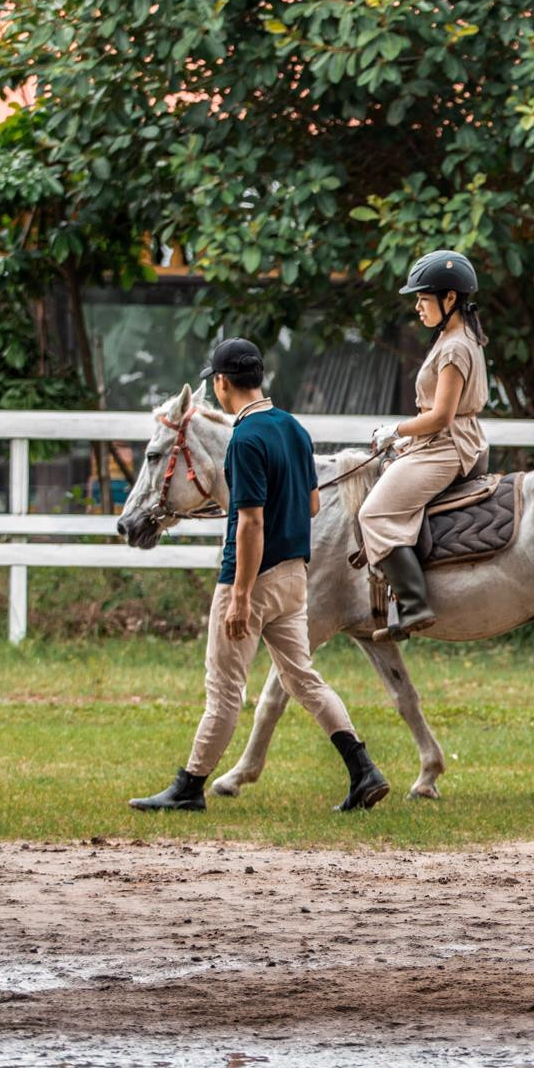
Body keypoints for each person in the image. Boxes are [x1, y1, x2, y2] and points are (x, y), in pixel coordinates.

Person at [130, 338, 390, 813]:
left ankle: (188, 788)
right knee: (303, 679)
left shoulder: (244, 440)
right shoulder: (293, 428)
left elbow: (249, 522)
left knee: (225, 689)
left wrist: (241, 596)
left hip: (249, 579)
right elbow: (312, 504)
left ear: (222, 383)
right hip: (294, 579)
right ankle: (363, 771)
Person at [356, 250, 490, 639]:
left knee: (374, 513)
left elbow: (441, 416)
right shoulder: (454, 337)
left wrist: (396, 431)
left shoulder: (454, 348)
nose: (417, 307)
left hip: (446, 446)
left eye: (423, 298)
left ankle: (414, 605)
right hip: (440, 443)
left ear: (450, 299)